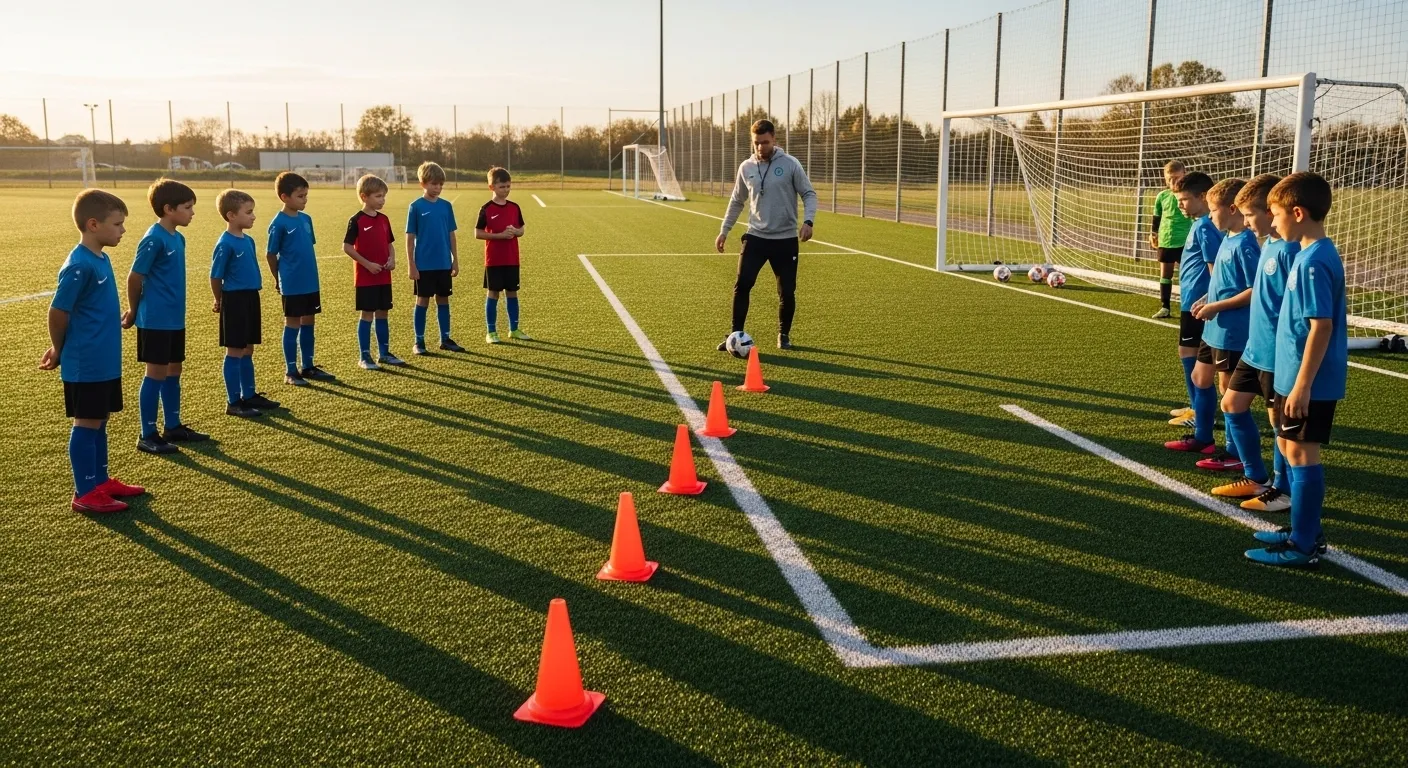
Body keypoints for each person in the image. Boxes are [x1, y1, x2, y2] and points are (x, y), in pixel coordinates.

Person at [1246, 172, 1345, 567]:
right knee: (1288, 447)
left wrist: (1303, 385)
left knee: (1303, 456)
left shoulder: (1314, 261)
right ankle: (1305, 529)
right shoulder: (1305, 254)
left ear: (1298, 213)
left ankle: (1304, 545)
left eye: (1276, 213)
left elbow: (1322, 326)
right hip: (1291, 374)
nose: (1272, 222)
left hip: (1310, 381)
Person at [41, 189, 147, 513]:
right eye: (117, 224)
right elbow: (58, 312)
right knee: (86, 424)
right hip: (85, 362)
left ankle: (100, 481)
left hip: (104, 361)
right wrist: (59, 350)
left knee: (99, 421)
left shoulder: (102, 258)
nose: (123, 230)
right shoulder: (78, 265)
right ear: (93, 224)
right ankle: (84, 492)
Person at [1214, 174, 1298, 509]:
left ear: (1270, 211)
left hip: (1278, 355)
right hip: (1255, 348)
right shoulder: (1268, 245)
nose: (1247, 222)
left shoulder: (1293, 250)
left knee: (1279, 423)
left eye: (1250, 215)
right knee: (1231, 404)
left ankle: (1281, 489)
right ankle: (1256, 477)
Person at [715, 119, 818, 351]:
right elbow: (736, 202)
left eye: (765, 142)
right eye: (756, 143)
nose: (760, 147)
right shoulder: (746, 167)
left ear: (774, 140)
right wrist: (724, 230)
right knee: (742, 285)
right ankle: (735, 335)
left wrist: (808, 221)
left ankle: (784, 335)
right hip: (756, 238)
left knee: (786, 291)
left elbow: (809, 194)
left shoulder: (790, 164)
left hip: (785, 240)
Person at [1177, 178, 1257, 472]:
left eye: (1214, 210)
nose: (1210, 216)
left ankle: (1233, 453)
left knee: (1227, 389)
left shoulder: (1246, 244)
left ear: (1233, 209)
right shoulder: (1227, 238)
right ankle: (1203, 437)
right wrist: (1205, 298)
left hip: (1231, 329)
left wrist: (1215, 306)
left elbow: (1252, 290)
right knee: (1200, 377)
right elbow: (1221, 282)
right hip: (1213, 326)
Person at [123, 178, 207, 454]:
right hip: (155, 319)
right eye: (187, 207)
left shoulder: (178, 237)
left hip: (174, 318)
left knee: (174, 370)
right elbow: (135, 277)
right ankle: (147, 433)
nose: (192, 212)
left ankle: (173, 426)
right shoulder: (153, 238)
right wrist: (134, 310)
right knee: (155, 373)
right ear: (169, 209)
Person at [211, 189, 281, 418]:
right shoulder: (225, 243)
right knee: (235, 350)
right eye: (248, 212)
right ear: (231, 215)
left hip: (251, 297)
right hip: (234, 299)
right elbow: (216, 276)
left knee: (248, 348)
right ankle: (234, 401)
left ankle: (249, 395)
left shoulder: (248, 241)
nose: (253, 216)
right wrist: (218, 299)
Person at [1162, 171, 1220, 441]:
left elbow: (1215, 267)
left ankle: (1200, 410)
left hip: (1199, 302)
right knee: (1188, 352)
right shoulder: (1199, 223)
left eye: (1184, 199)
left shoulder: (1207, 226)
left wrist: (1210, 297)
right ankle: (1196, 406)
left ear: (1202, 197)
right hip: (1190, 300)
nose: (1180, 205)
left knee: (1192, 354)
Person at [267, 171, 333, 386]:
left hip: (309, 281)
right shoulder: (278, 223)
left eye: (306, 195)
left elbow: (306, 248)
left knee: (309, 321)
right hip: (292, 282)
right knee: (292, 323)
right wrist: (278, 279)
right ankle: (290, 371)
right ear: (285, 197)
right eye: (300, 196)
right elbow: (271, 254)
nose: (304, 200)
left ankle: (309, 366)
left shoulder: (306, 219)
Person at [343, 174, 405, 369]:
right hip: (365, 279)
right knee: (367, 315)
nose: (382, 200)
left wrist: (392, 259)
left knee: (383, 314)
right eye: (378, 196)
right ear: (364, 196)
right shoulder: (356, 220)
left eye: (383, 196)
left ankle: (384, 353)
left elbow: (390, 244)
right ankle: (364, 356)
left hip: (384, 277)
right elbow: (347, 247)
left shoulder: (384, 219)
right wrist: (367, 264)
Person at [406, 161, 463, 354]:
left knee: (443, 300)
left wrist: (455, 259)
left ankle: (445, 338)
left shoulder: (446, 206)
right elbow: (410, 237)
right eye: (433, 184)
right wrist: (411, 264)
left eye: (440, 184)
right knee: (422, 300)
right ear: (423, 183)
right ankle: (419, 342)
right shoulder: (415, 206)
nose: (437, 188)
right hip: (424, 265)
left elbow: (451, 235)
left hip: (443, 263)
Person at [475, 166, 529, 344]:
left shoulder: (515, 207)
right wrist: (498, 236)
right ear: (492, 187)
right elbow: (478, 233)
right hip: (494, 260)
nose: (505, 190)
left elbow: (522, 229)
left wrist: (516, 231)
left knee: (512, 293)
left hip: (512, 259)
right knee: (493, 294)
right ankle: (491, 332)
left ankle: (514, 329)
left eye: (508, 186)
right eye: (501, 187)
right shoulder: (486, 209)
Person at [1148, 160, 1192, 321]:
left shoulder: (1189, 195)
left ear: (1184, 176)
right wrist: (1153, 233)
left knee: (1188, 274)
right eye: (1169, 179)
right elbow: (1157, 217)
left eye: (1176, 178)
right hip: (1166, 240)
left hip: (1186, 241)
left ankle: (1188, 306)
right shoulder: (1162, 196)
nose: (1173, 182)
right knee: (1165, 274)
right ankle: (1165, 307)